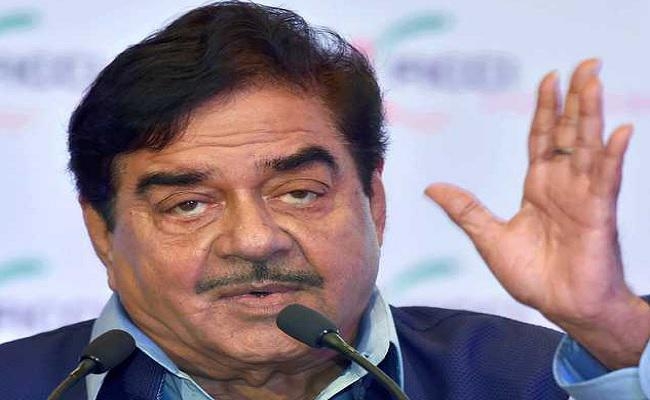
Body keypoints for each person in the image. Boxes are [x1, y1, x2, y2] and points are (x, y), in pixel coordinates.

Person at [1, 1, 648, 399]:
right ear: (103, 232)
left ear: (374, 202)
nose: (256, 240)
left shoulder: (532, 380)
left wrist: (613, 334)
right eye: (190, 204)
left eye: (299, 193)